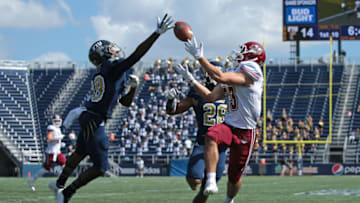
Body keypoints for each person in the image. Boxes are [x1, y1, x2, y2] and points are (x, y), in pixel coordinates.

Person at [48, 14, 173, 203]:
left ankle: (59, 184)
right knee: (101, 167)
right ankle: (66, 193)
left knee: (80, 153)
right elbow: (135, 57)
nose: (115, 50)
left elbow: (125, 103)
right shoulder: (110, 67)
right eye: (111, 49)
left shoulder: (106, 71)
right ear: (105, 53)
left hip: (91, 117)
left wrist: (133, 87)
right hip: (95, 119)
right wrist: (156, 34)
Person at [175, 37, 265, 203]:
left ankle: (229, 200)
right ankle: (210, 181)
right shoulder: (235, 73)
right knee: (211, 134)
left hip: (246, 131)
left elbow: (221, 77)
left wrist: (199, 58)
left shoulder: (252, 70)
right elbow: (210, 97)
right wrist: (192, 80)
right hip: (229, 126)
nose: (238, 55)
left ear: (253, 57)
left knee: (234, 178)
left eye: (243, 52)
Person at [166, 61, 227, 203]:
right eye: (209, 73)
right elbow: (174, 111)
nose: (211, 76)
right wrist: (170, 100)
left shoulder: (230, 91)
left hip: (221, 144)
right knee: (194, 181)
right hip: (203, 141)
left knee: (207, 188)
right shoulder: (197, 92)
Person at [28, 115, 66, 192]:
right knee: (46, 169)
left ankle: (60, 184)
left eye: (58, 121)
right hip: (51, 152)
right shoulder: (51, 128)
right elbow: (49, 139)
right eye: (56, 121)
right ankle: (32, 180)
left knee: (66, 166)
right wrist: (58, 138)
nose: (57, 122)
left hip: (58, 152)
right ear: (53, 121)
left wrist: (60, 143)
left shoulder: (58, 129)